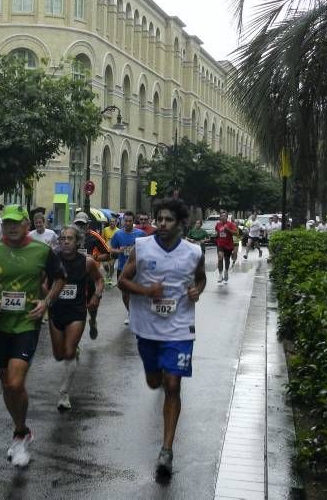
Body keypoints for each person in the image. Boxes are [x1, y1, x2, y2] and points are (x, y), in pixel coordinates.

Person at [0, 205, 66, 468]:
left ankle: (20, 436)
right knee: (7, 386)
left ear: (25, 225)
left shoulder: (42, 250)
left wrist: (45, 303)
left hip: (27, 323)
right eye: (7, 223)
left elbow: (60, 278)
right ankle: (21, 429)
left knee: (14, 382)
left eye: (16, 223)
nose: (11, 227)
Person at [118, 198, 206, 480]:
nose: (163, 224)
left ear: (180, 223)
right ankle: (156, 378)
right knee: (154, 381)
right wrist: (146, 291)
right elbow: (122, 281)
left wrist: (197, 291)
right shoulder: (142, 247)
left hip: (180, 328)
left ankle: (166, 449)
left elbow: (201, 279)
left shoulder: (194, 252)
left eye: (169, 220)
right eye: (160, 219)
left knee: (172, 384)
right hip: (147, 328)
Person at [49, 225, 104, 410]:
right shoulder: (52, 259)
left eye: (69, 238)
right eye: (63, 238)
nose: (65, 241)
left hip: (76, 311)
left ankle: (64, 394)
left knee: (69, 351)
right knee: (59, 355)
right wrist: (48, 296)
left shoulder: (87, 262)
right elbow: (42, 281)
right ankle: (72, 352)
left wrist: (96, 295)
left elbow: (99, 279)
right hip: (56, 310)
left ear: (77, 241)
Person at [72, 211, 110, 339]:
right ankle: (75, 340)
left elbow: (108, 254)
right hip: (73, 278)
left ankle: (93, 321)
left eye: (82, 224)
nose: (80, 227)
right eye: (77, 224)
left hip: (90, 277)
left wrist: (94, 257)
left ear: (88, 225)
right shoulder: (69, 236)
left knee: (92, 306)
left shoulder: (94, 236)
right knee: (75, 310)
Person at [109, 211, 145, 325]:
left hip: (137, 269)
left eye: (130, 221)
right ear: (123, 221)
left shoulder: (141, 234)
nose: (128, 223)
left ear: (134, 221)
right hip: (122, 268)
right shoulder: (118, 234)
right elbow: (110, 249)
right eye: (126, 220)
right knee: (125, 294)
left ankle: (137, 312)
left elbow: (149, 248)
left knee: (136, 293)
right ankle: (130, 312)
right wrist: (118, 250)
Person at [214, 211, 237, 283]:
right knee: (220, 258)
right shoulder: (218, 224)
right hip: (220, 244)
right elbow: (217, 233)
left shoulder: (231, 224)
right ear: (220, 217)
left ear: (227, 217)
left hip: (229, 245)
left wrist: (228, 229)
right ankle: (220, 275)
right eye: (222, 216)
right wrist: (215, 235)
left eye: (225, 216)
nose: (223, 217)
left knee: (227, 260)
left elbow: (235, 233)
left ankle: (226, 271)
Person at [101, 216, 119, 285]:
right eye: (111, 221)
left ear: (116, 223)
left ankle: (110, 278)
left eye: (113, 221)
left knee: (111, 265)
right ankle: (108, 273)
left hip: (114, 250)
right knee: (105, 265)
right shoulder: (105, 229)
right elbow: (102, 240)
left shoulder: (118, 231)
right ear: (109, 222)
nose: (112, 223)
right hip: (106, 250)